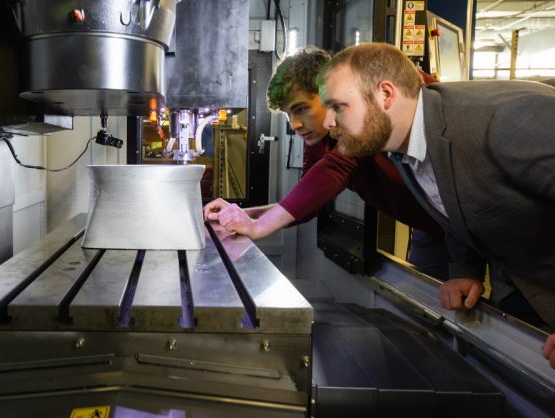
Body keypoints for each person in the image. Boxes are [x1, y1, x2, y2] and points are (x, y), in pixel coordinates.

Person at [316, 42, 555, 368]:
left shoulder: (504, 120)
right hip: (522, 291)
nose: (328, 122)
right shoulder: (402, 140)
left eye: (338, 106)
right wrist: (465, 271)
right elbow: (459, 198)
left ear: (385, 95)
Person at [203, 47, 448, 279]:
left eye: (301, 109)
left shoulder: (359, 115)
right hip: (434, 224)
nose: (295, 124)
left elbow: (336, 167)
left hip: (465, 214)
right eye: (289, 114)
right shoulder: (319, 138)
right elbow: (305, 203)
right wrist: (243, 216)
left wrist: (257, 227)